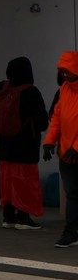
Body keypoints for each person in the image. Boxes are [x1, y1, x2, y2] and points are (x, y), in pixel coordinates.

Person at [0, 57, 49, 229]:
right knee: (24, 183)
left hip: (5, 148)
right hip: (25, 149)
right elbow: (42, 123)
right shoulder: (31, 92)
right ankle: (23, 217)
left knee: (7, 183)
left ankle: (8, 217)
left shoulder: (3, 87)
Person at [43, 52, 78, 248]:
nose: (65, 75)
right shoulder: (64, 89)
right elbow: (57, 118)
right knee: (72, 193)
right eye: (62, 72)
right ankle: (71, 232)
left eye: (68, 71)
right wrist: (49, 142)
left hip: (73, 150)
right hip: (67, 153)